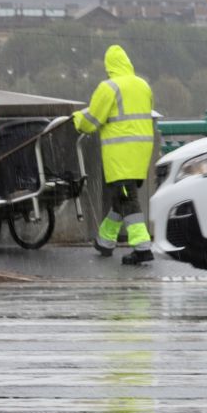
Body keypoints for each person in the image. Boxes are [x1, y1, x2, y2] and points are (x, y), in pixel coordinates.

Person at [73, 44, 157, 265]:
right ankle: (105, 241)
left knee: (128, 199)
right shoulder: (143, 85)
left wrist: (77, 119)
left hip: (120, 154)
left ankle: (142, 247)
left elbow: (92, 121)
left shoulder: (108, 87)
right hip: (141, 152)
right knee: (121, 198)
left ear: (109, 66)